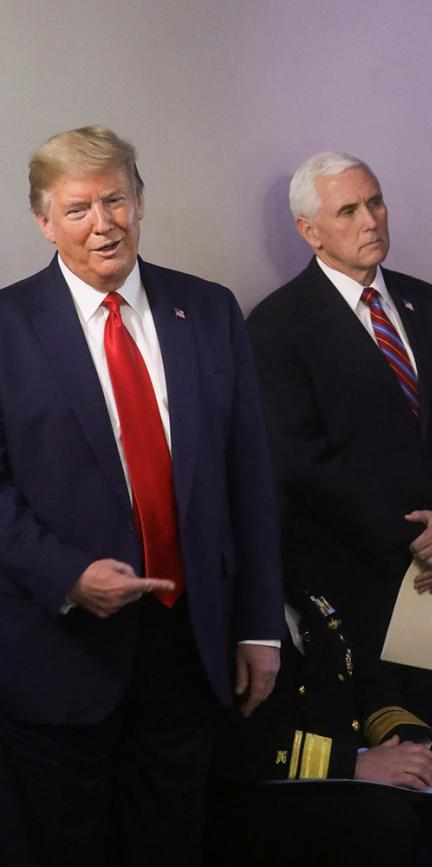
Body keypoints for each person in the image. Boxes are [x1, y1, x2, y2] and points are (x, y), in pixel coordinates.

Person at [0, 125, 283, 866]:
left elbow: (249, 477)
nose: (103, 224)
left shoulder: (210, 310)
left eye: (116, 200)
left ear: (141, 201)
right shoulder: (5, 327)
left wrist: (259, 624)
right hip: (58, 653)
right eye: (78, 208)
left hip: (188, 646)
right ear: (43, 221)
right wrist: (66, 575)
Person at [246, 152, 432, 750]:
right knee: (385, 771)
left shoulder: (429, 305)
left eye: (374, 202)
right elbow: (300, 460)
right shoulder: (277, 326)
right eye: (347, 210)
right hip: (353, 584)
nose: (370, 220)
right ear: (310, 231)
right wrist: (411, 535)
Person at [205, 585, 432, 867]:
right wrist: (352, 764)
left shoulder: (300, 581)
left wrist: (407, 742)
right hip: (270, 787)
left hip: (356, 765)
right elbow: (229, 744)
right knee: (384, 821)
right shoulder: (213, 609)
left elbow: (363, 674)